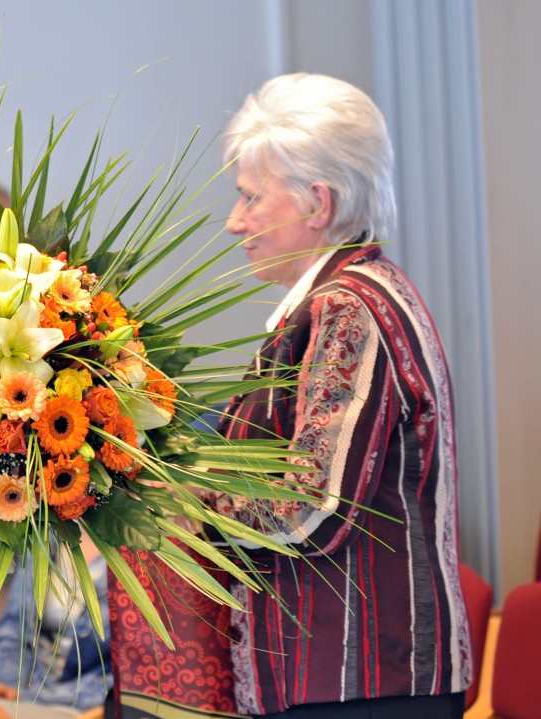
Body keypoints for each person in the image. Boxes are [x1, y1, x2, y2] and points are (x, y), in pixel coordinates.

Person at [200, 72, 472, 717]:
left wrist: (176, 502)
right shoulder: (356, 294)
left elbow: (308, 507)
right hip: (352, 681)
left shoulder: (348, 307)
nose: (235, 223)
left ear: (317, 203)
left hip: (364, 685)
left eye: (250, 197)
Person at [0, 539, 111, 719]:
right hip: (24, 694)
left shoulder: (136, 553)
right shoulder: (44, 536)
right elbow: (15, 627)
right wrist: (3, 684)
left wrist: (30, 696)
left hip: (85, 706)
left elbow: (130, 675)